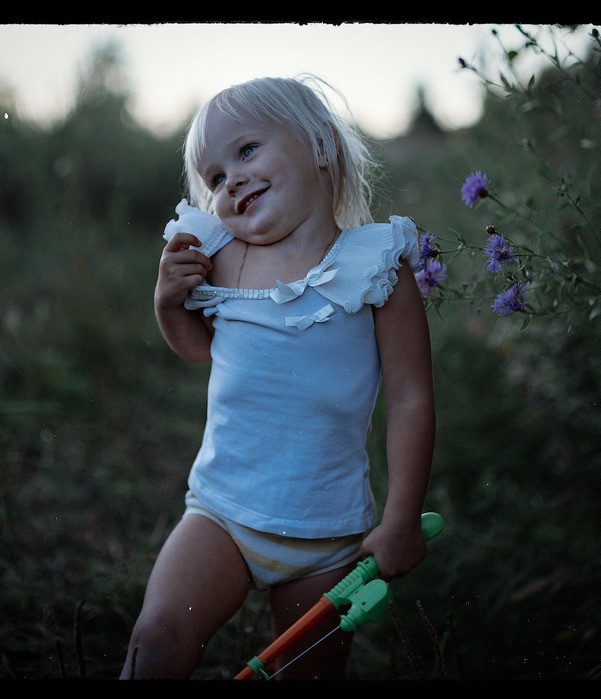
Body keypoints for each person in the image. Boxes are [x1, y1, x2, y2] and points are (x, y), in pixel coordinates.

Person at [120, 75, 435, 681]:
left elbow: (410, 398)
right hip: (221, 513)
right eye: (214, 177)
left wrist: (401, 518)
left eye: (246, 151)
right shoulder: (224, 257)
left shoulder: (374, 270)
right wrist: (168, 304)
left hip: (327, 538)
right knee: (157, 639)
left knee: (306, 675)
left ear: (321, 144)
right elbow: (199, 350)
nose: (230, 180)